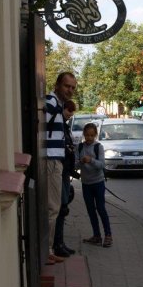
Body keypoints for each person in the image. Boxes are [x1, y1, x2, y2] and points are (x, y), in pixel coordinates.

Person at [45, 71, 77, 265]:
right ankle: (47, 250)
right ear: (57, 85)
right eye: (67, 86)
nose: (70, 90)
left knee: (54, 207)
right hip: (51, 161)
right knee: (53, 208)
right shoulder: (51, 102)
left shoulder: (57, 104)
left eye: (73, 87)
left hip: (55, 160)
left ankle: (49, 248)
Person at [76, 123, 113, 248]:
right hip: (86, 184)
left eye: (92, 135)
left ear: (95, 135)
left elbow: (101, 165)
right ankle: (96, 236)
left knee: (101, 209)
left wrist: (91, 160)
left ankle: (108, 235)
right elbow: (75, 165)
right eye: (87, 135)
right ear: (84, 135)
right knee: (91, 211)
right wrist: (81, 161)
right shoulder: (80, 147)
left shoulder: (98, 147)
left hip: (98, 183)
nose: (89, 138)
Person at [53, 99, 78, 258]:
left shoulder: (64, 125)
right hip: (60, 169)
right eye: (69, 111)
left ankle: (60, 243)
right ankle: (57, 244)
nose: (70, 114)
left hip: (65, 170)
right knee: (61, 207)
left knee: (63, 206)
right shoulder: (59, 124)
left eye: (72, 111)